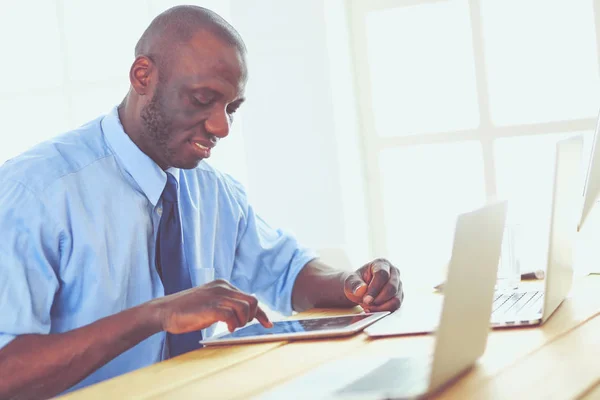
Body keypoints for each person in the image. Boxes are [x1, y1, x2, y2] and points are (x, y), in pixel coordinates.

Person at [0, 5, 404, 399]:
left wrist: (356, 285)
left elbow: (289, 273)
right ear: (143, 76)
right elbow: (7, 372)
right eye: (202, 99)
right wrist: (155, 315)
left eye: (231, 108)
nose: (221, 127)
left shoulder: (212, 191)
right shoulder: (35, 192)